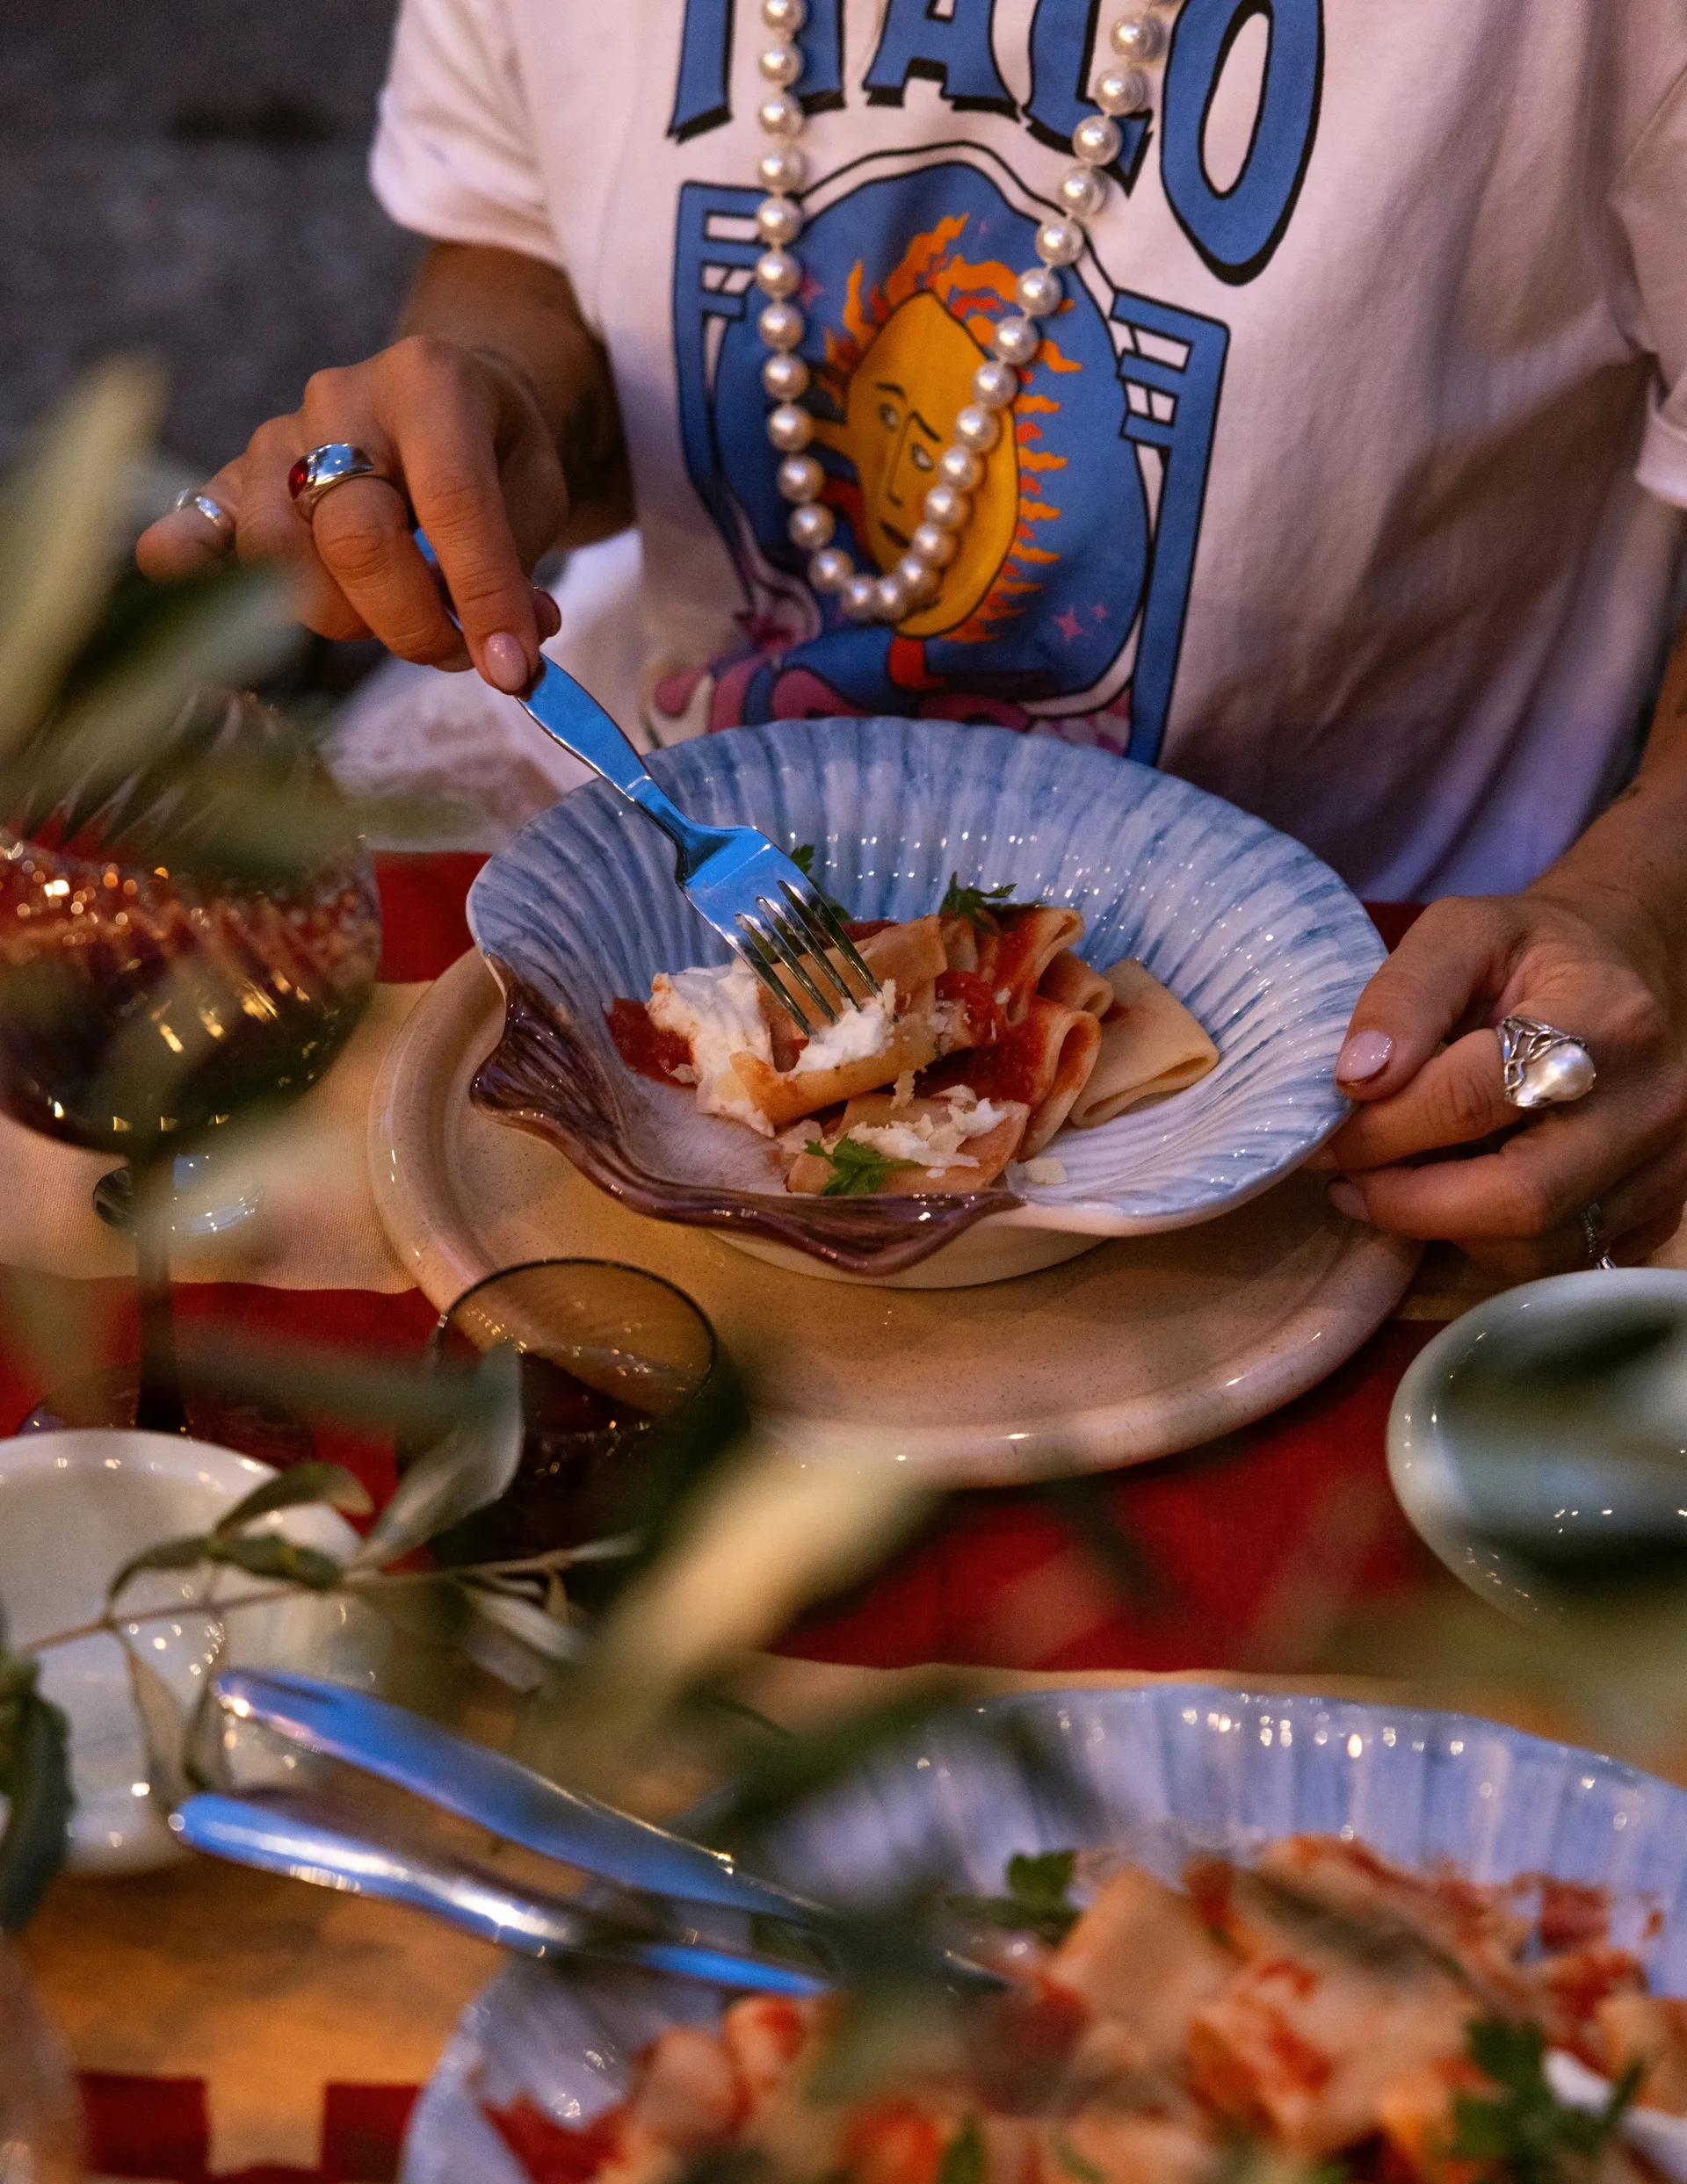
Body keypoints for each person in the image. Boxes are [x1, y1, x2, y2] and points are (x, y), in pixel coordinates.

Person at [139, 0, 1687, 1276]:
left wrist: (1656, 893)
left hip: (1406, 1028)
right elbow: (520, 232)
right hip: (651, 850)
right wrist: (495, 403)